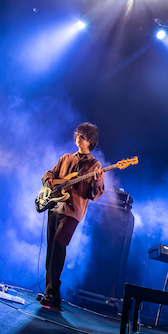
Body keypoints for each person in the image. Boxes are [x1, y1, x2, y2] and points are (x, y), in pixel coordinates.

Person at [38, 122, 104, 309]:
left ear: (90, 140)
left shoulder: (95, 165)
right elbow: (48, 174)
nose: (78, 137)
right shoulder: (66, 158)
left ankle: (51, 292)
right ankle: (52, 293)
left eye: (83, 136)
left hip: (72, 212)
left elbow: (95, 195)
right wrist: (51, 184)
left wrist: (98, 179)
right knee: (51, 250)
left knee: (59, 245)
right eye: (77, 134)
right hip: (54, 207)